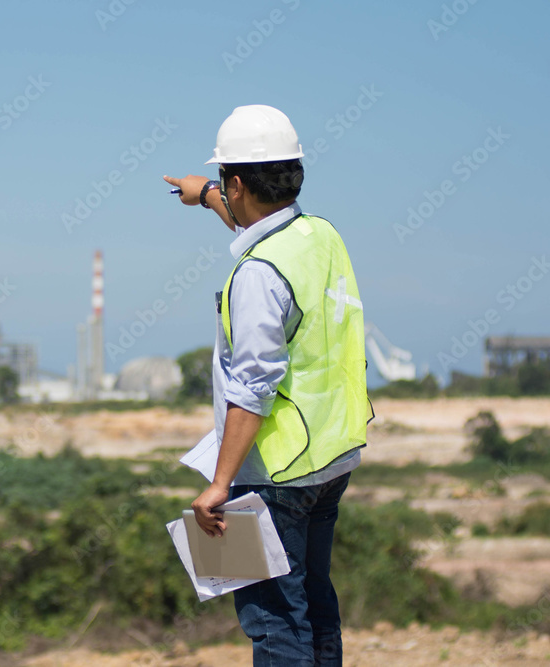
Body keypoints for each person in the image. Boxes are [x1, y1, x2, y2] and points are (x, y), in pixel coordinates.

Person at [164, 105, 370, 666]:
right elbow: (260, 221)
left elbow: (253, 384)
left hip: (273, 476)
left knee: (277, 625)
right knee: (316, 607)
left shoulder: (256, 273)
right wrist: (204, 192)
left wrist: (219, 485)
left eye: (225, 187)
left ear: (238, 182)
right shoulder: (320, 236)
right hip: (330, 460)